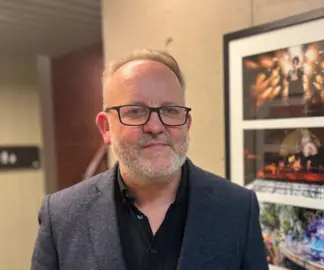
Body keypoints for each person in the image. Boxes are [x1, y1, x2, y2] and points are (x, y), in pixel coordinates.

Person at [31, 49, 269, 270]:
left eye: (170, 110)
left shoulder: (237, 208)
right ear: (106, 128)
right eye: (135, 111)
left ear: (186, 124)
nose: (155, 126)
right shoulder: (62, 216)